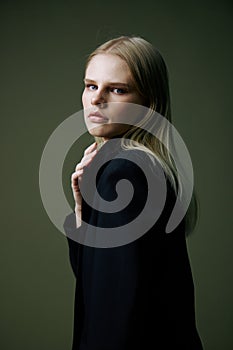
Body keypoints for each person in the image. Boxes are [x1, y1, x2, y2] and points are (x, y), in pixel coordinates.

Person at [63, 36, 203, 349]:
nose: (97, 100)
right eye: (90, 85)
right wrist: (82, 211)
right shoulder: (139, 165)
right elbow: (98, 284)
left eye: (117, 89)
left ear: (147, 102)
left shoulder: (124, 171)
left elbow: (112, 314)